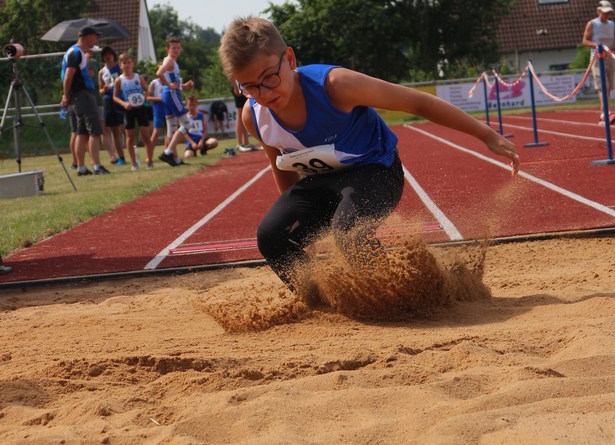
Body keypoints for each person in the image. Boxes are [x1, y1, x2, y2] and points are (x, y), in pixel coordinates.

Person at [218, 16, 520, 288]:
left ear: (289, 58)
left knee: (348, 230)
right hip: (321, 184)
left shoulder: (336, 86)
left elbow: (417, 103)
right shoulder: (254, 115)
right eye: (250, 87)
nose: (264, 93)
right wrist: (297, 220)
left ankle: (391, 293)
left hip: (376, 171)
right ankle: (319, 298)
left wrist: (485, 134)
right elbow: (283, 167)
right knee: (271, 237)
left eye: (269, 77)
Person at [60, 26, 110, 176]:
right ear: (88, 36)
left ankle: (81, 168)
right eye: (95, 36)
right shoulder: (76, 52)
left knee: (81, 132)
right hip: (83, 95)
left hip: (78, 97)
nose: (96, 40)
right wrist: (65, 95)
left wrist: (68, 95)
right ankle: (97, 166)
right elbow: (68, 76)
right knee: (95, 131)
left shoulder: (74, 51)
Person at [113, 52, 155, 170]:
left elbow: (146, 90)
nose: (127, 65)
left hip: (141, 108)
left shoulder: (138, 77)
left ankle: (150, 161)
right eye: (124, 63)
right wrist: (124, 104)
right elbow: (114, 97)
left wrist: (146, 96)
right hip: (128, 110)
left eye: (129, 62)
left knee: (146, 136)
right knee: (129, 137)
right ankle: (134, 163)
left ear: (133, 64)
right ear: (120, 65)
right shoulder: (119, 80)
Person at [157, 35, 194, 166]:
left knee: (172, 129)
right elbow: (159, 73)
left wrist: (183, 86)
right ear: (167, 49)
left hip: (168, 94)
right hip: (171, 94)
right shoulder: (169, 60)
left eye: (178, 47)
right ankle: (167, 152)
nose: (176, 50)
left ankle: (175, 159)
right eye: (173, 48)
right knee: (186, 124)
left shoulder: (171, 61)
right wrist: (169, 85)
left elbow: (171, 80)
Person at [582, 0, 615, 123]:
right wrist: (597, 46)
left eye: (608, 13)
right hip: (597, 58)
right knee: (602, 85)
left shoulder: (612, 25)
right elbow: (585, 40)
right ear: (598, 11)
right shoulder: (592, 24)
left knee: (609, 86)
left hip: (610, 57)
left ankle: (605, 111)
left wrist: (610, 50)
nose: (606, 15)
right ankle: (605, 112)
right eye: (604, 12)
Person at [98, 46, 126, 165]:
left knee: (125, 128)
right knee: (114, 130)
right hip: (109, 101)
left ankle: (133, 152)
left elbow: (126, 80)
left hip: (120, 99)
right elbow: (100, 90)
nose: (107, 57)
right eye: (105, 55)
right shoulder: (101, 72)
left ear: (113, 55)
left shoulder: (120, 67)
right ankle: (121, 157)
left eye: (109, 54)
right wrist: (104, 90)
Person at [148, 72, 168, 156]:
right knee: (156, 132)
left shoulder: (168, 82)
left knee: (169, 132)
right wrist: (160, 98)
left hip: (168, 109)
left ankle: (168, 153)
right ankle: (149, 154)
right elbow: (148, 97)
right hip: (158, 110)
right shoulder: (154, 83)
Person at [232, 84, 256, 152]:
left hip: (245, 86)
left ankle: (246, 143)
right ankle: (239, 144)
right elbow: (229, 76)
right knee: (240, 115)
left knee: (244, 113)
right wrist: (235, 86)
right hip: (239, 87)